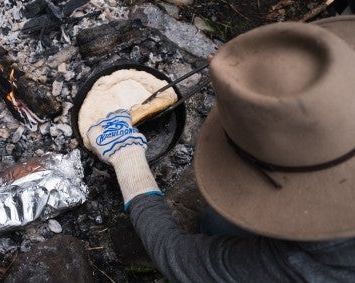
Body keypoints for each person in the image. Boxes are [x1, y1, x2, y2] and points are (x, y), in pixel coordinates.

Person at [86, 16, 355, 282]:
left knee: (219, 226)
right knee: (220, 222)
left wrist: (128, 161)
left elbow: (177, 256)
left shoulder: (315, 264)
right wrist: (248, 78)